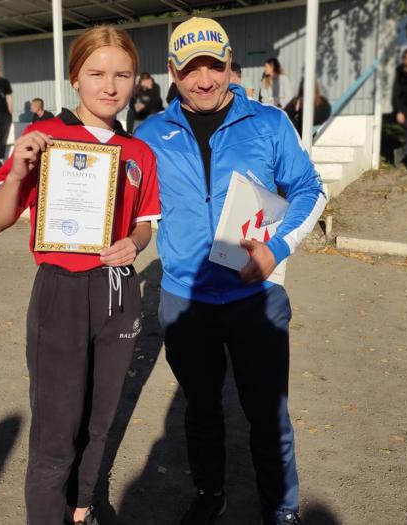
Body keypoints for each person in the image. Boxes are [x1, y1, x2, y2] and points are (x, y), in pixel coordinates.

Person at [136, 17, 326, 525]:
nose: (204, 81)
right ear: (172, 71)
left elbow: (310, 189)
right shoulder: (149, 135)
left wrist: (277, 249)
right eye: (190, 70)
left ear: (229, 66)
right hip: (184, 299)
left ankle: (282, 508)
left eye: (214, 67)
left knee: (268, 413)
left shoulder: (269, 123)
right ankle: (209, 494)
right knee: (201, 410)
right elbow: (130, 209)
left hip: (255, 297)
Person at [0, 26, 160, 525]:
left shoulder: (139, 151)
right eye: (97, 73)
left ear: (135, 80)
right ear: (74, 79)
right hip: (61, 290)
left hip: (117, 292)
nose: (110, 85)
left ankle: (80, 509)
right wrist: (18, 173)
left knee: (99, 419)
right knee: (56, 430)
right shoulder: (44, 139)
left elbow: (144, 224)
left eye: (122, 75)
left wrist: (135, 244)